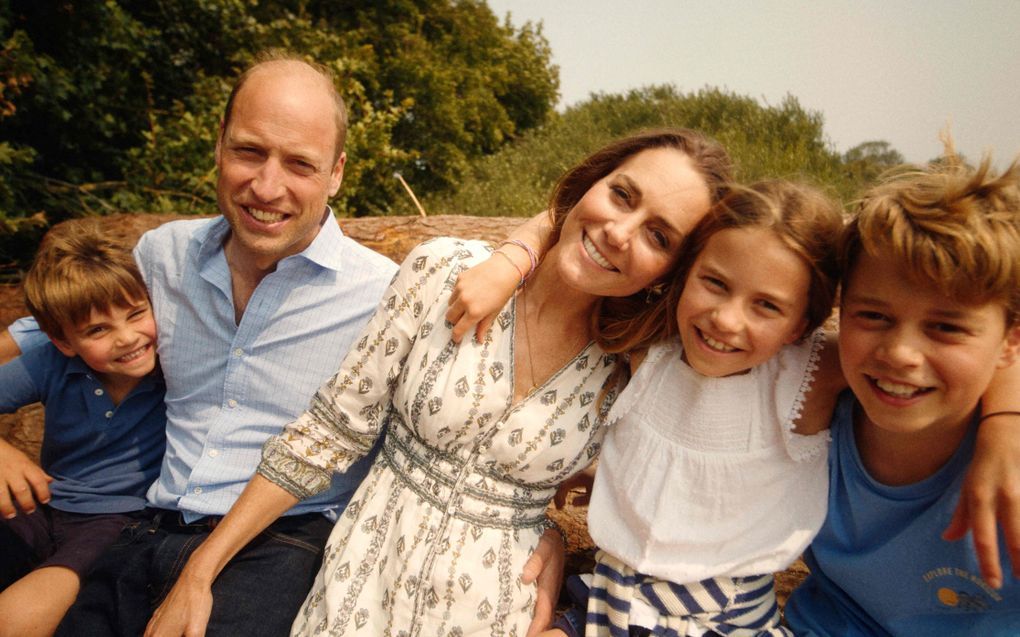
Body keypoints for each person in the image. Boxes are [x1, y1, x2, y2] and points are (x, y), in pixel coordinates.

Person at [144, 128, 736, 636]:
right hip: (361, 586)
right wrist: (202, 568)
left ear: (671, 272)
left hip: (498, 608)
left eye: (659, 236)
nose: (620, 232)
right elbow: (328, 432)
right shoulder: (446, 271)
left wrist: (548, 530)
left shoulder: (633, 370)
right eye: (621, 195)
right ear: (589, 184)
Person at [3, 50, 399, 635]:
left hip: (285, 539)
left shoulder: (383, 296)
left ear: (336, 172)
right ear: (219, 144)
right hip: (144, 526)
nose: (267, 186)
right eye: (249, 151)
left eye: (299, 164)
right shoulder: (162, 258)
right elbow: (50, 336)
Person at [528, 181, 841, 636]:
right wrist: (510, 258)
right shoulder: (649, 349)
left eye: (767, 306)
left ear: (802, 325)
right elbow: (566, 226)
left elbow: (917, 347)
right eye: (714, 283)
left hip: (720, 621)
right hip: (607, 600)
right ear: (684, 271)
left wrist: (990, 422)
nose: (726, 319)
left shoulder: (804, 379)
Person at [784, 147, 1020, 634]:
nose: (901, 353)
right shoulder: (811, 398)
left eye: (946, 328)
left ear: (1009, 341)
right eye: (873, 316)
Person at [0, 220, 166, 637]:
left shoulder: (175, 365)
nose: (127, 338)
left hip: (119, 520)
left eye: (136, 314)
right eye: (98, 330)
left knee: (17, 616)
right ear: (64, 342)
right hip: (43, 503)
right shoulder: (50, 361)